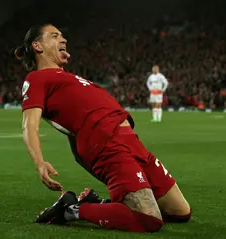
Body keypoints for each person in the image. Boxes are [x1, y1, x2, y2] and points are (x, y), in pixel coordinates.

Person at [16, 23, 191, 233]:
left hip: (133, 143)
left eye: (62, 36)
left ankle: (99, 204)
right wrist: (39, 162)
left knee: (181, 212)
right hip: (109, 146)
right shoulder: (36, 79)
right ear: (37, 46)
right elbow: (29, 124)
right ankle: (71, 209)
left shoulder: (71, 78)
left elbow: (75, 124)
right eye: (55, 36)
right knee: (148, 220)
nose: (63, 40)